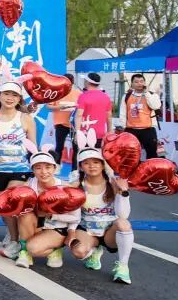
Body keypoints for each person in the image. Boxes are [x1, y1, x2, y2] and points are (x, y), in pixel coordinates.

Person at [69, 143, 134, 284]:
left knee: (124, 224)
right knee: (79, 251)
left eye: (96, 162)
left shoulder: (113, 183)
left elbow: (123, 215)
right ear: (81, 166)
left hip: (109, 232)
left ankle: (123, 267)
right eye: (86, 163)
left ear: (103, 165)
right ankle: (94, 250)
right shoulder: (77, 184)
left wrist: (124, 193)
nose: (92, 166)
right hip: (87, 229)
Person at [0, 81, 36, 260]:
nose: (10, 98)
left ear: (19, 99)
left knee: (10, 200)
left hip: (20, 168)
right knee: (3, 208)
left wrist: (35, 169)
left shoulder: (25, 118)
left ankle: (17, 242)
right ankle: (14, 236)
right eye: (6, 94)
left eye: (14, 95)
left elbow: (33, 145)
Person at [14, 148, 81, 270]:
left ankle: (55, 250)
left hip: (56, 228)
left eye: (48, 167)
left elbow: (76, 218)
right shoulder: (28, 185)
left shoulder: (66, 187)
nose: (43, 172)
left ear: (55, 168)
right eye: (38, 168)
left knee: (33, 248)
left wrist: (51, 215)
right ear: (33, 170)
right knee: (24, 215)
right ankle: (24, 252)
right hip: (37, 226)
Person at [118, 73, 161, 159]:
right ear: (132, 84)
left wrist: (146, 93)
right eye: (136, 82)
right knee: (130, 155)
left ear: (145, 83)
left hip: (148, 129)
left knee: (152, 154)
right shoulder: (126, 96)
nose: (139, 84)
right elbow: (123, 112)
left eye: (141, 81)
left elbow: (155, 106)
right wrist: (123, 128)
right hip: (131, 130)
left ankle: (150, 167)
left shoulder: (152, 95)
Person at [45, 73, 80, 166]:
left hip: (74, 125)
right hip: (60, 123)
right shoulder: (56, 92)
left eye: (69, 83)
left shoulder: (78, 93)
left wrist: (75, 107)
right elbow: (48, 106)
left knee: (76, 147)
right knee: (59, 147)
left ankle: (75, 169)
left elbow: (82, 107)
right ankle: (56, 166)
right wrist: (60, 107)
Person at [75, 72, 113, 138]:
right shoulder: (106, 97)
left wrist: (77, 133)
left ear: (87, 82)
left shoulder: (83, 96)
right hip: (101, 134)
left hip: (85, 134)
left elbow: (79, 115)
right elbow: (109, 116)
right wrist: (110, 131)